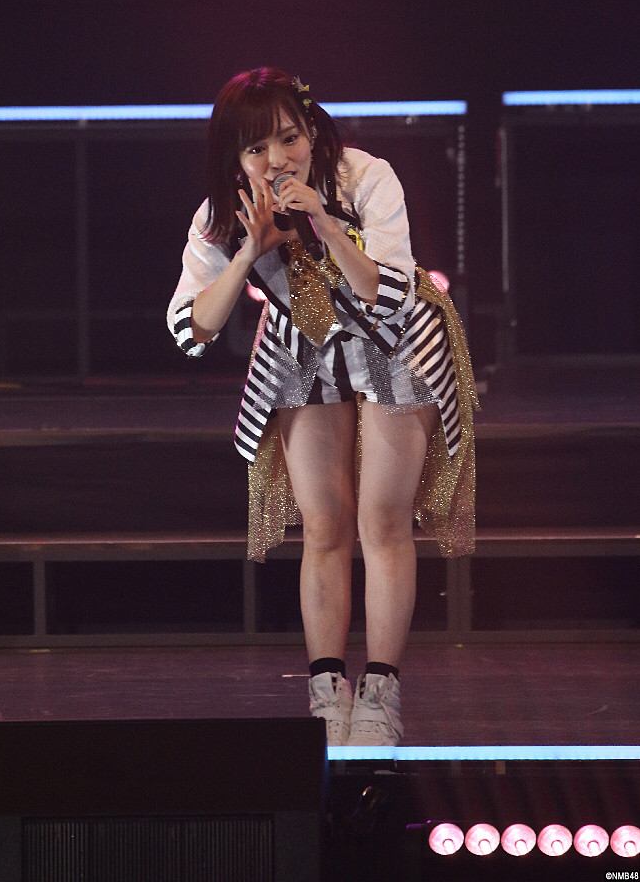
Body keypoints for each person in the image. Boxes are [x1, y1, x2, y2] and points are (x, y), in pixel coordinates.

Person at [167, 67, 477, 745]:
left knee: (381, 520)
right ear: (234, 156)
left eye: (289, 138)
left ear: (311, 131)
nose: (277, 159)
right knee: (324, 523)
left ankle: (380, 694)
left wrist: (324, 224)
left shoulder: (365, 176)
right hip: (304, 347)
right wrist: (249, 253)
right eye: (256, 148)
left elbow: (386, 296)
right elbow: (192, 329)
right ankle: (327, 693)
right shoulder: (220, 214)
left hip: (396, 342)